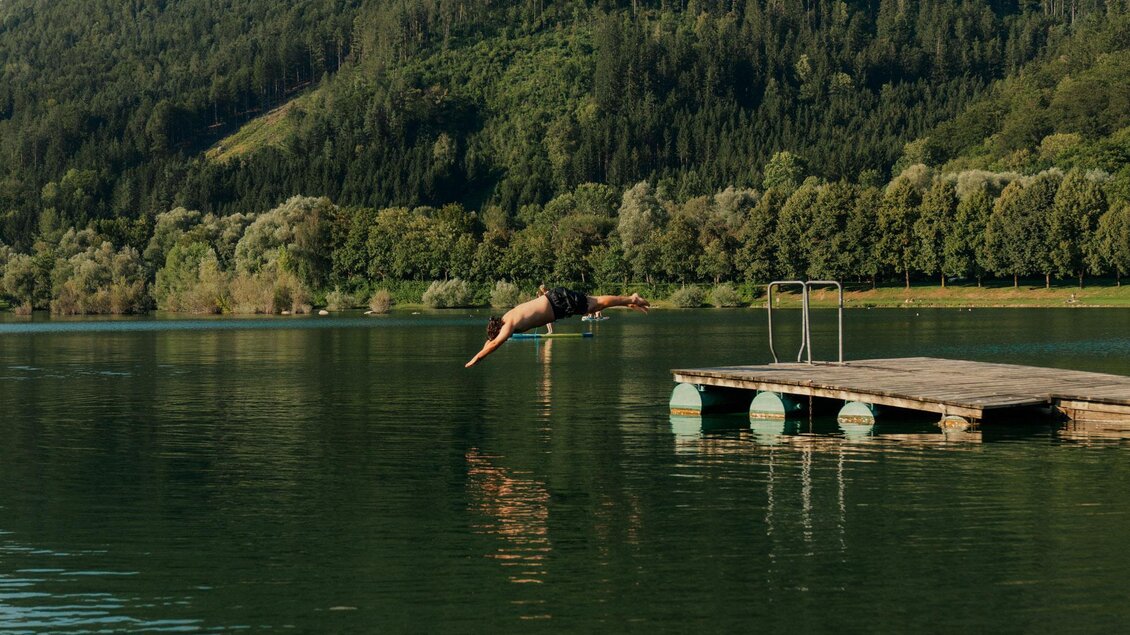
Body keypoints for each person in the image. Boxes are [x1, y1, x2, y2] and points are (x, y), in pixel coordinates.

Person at [465, 288, 649, 367]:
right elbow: (491, 341)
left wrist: (476, 358)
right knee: (595, 304)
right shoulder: (505, 319)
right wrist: (482, 351)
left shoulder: (509, 325)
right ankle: (628, 302)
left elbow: (495, 344)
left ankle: (632, 299)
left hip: (557, 303)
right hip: (556, 303)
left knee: (595, 305)